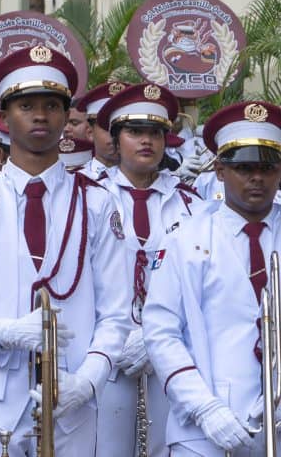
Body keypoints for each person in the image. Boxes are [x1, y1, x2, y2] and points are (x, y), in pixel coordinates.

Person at [0, 46, 129, 456]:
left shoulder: (96, 201)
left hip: (72, 396)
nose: (41, 115)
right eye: (26, 105)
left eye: (52, 105)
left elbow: (115, 314)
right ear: (2, 118)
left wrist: (88, 381)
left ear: (66, 116)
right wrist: (4, 332)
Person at [144, 101, 281, 456]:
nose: (257, 178)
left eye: (267, 168)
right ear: (219, 171)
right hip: (202, 425)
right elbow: (162, 331)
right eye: (244, 167)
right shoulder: (185, 238)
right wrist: (203, 406)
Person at [94, 83, 207, 457]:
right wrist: (117, 336)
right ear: (115, 139)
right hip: (108, 351)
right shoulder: (91, 197)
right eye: (135, 131)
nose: (147, 141)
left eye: (156, 133)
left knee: (166, 447)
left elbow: (199, 282)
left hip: (172, 352)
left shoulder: (190, 203)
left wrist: (155, 336)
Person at [75, 81, 128, 180]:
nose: (116, 135)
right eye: (107, 127)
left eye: (126, 128)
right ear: (90, 132)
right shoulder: (74, 181)